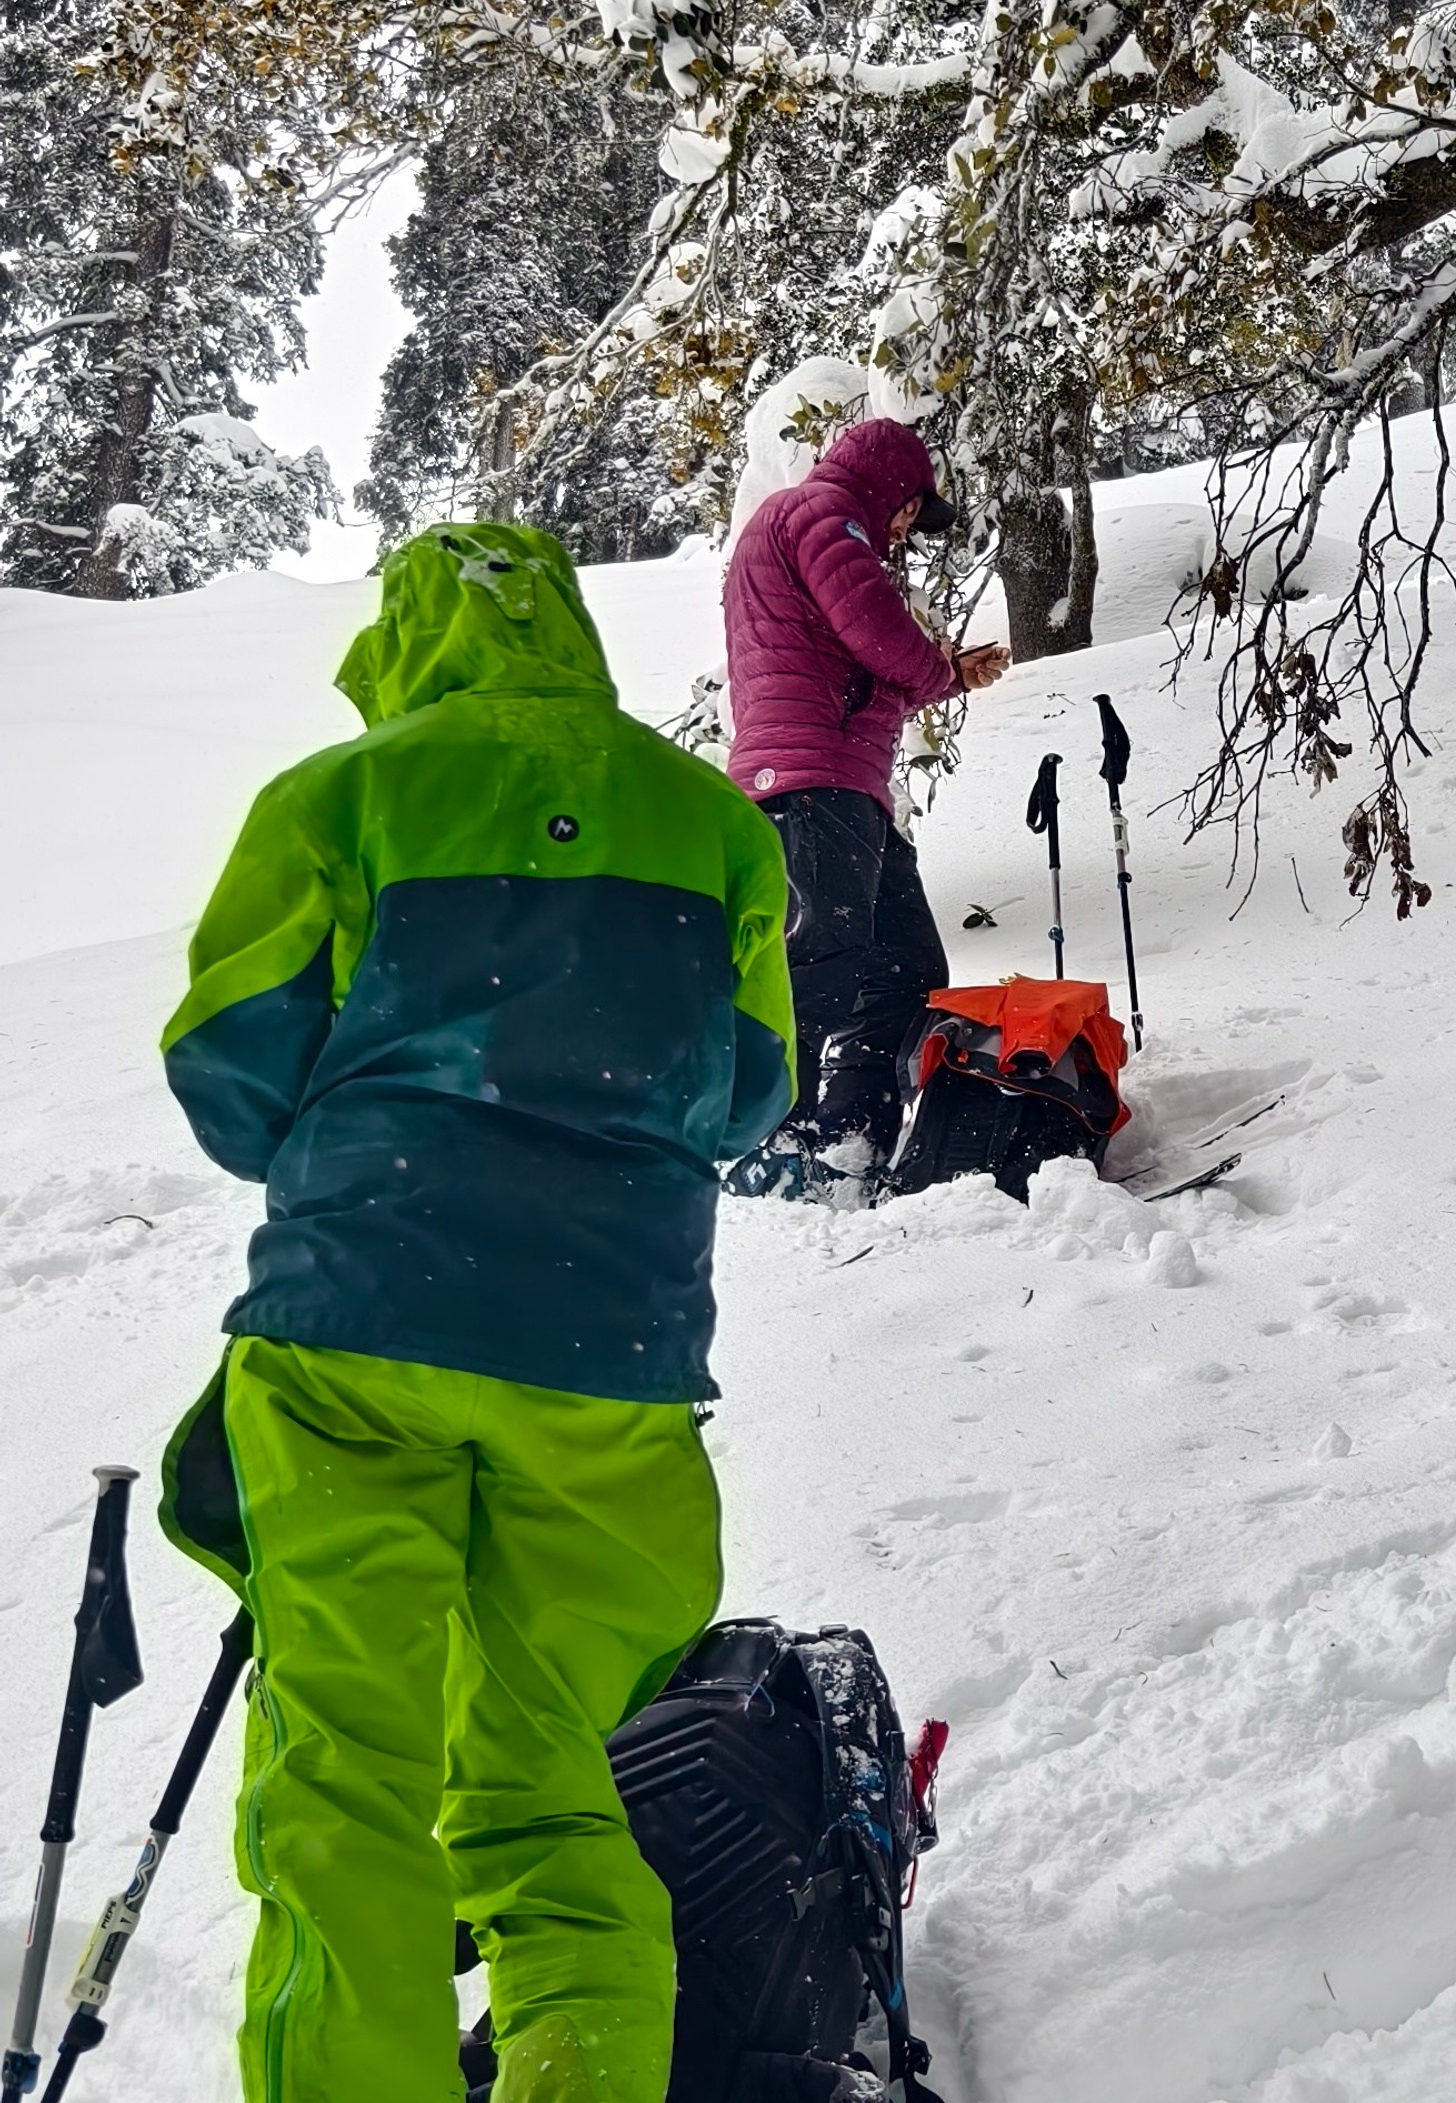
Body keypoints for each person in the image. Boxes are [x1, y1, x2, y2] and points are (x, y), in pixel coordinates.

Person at [155, 522, 796, 2103]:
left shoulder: (339, 799)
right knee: (550, 1783)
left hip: (354, 1336)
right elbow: (750, 1090)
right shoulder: (714, 823)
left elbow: (231, 1070)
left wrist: (381, 1143)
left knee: (347, 1783)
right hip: (610, 1357)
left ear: (403, 641)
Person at [720, 414, 1007, 1200]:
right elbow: (878, 634)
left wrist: (944, 673)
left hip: (839, 784)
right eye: (912, 508)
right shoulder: (821, 514)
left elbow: (851, 667)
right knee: (819, 966)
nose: (907, 528)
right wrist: (939, 671)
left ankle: (849, 1141)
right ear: (892, 488)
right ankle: (773, 1145)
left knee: (904, 967)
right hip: (812, 783)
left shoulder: (803, 528)